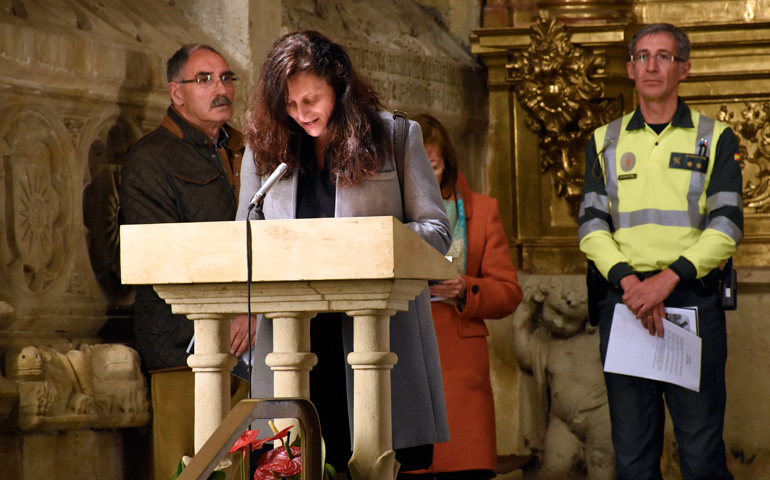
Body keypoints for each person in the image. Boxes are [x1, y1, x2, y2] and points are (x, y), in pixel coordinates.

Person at [235, 31, 451, 475]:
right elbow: (245, 235)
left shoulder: (394, 136)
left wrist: (374, 244)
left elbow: (436, 230)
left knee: (371, 459)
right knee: (298, 460)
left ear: (338, 84)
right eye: (290, 106)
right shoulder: (264, 149)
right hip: (292, 339)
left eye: (311, 99)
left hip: (375, 335)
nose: (301, 114)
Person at [578, 23, 742, 480]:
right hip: (626, 304)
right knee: (632, 456)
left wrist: (665, 281)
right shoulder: (604, 141)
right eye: (643, 56)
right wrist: (633, 284)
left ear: (684, 69)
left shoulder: (714, 137)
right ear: (630, 69)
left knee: (701, 452)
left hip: (691, 301)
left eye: (664, 56)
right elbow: (591, 226)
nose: (652, 65)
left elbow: (726, 226)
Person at [120, 43, 253, 480]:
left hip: (254, 339)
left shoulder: (247, 149)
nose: (221, 88)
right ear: (176, 94)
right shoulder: (152, 157)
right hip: (184, 349)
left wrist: (254, 309)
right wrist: (231, 311)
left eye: (227, 77)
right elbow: (159, 257)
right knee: (191, 469)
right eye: (205, 79)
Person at [406, 114, 522, 479]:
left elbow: (508, 292)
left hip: (461, 368)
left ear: (448, 164)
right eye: (417, 167)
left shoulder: (482, 212)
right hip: (408, 355)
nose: (426, 177)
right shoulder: (388, 214)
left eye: (434, 167)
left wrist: (465, 288)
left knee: (464, 468)